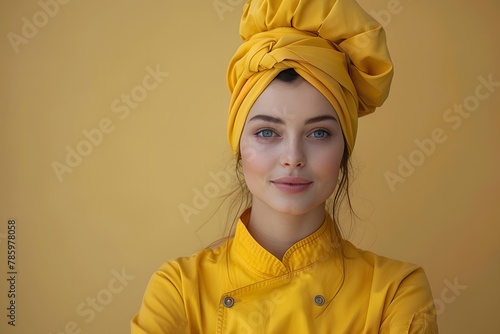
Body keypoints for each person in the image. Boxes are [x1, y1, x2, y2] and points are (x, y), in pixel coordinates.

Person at [131, 0, 438, 332]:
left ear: (344, 149)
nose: (293, 157)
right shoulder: (178, 289)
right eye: (267, 132)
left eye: (319, 132)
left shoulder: (395, 292)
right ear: (239, 145)